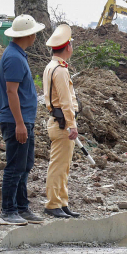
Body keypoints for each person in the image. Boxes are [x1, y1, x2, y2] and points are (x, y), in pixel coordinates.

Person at [0, 15, 46, 225]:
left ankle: (21, 207)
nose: (36, 35)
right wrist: (19, 123)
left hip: (24, 119)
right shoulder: (14, 58)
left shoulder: (18, 55)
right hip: (17, 121)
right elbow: (11, 91)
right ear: (29, 34)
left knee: (25, 164)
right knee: (15, 166)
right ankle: (7, 211)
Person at [42, 24, 81, 219]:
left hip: (59, 121)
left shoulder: (52, 66)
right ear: (67, 48)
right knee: (58, 165)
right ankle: (53, 204)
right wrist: (72, 124)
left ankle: (62, 202)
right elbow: (65, 101)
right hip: (62, 123)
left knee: (64, 165)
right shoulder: (60, 70)